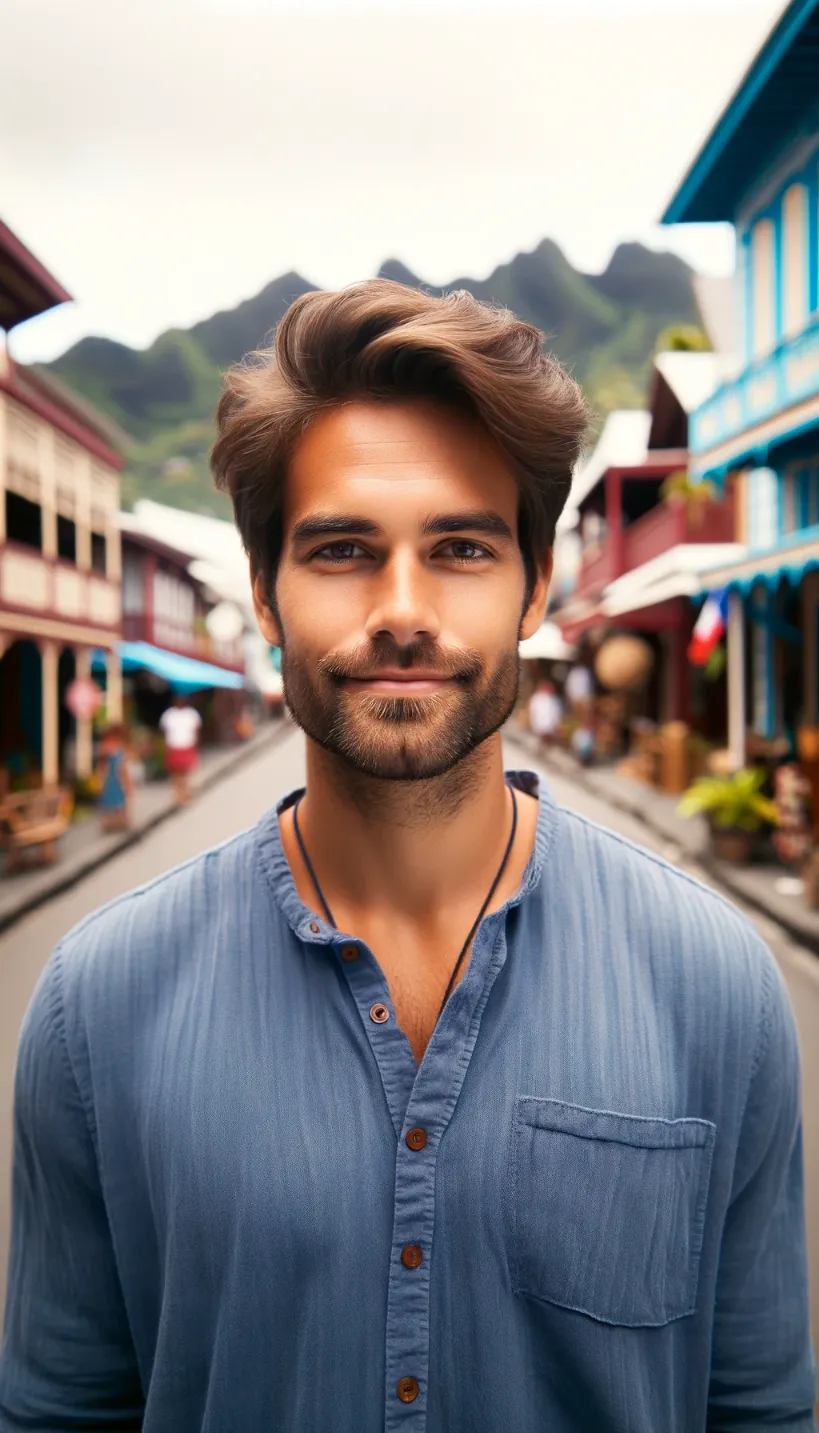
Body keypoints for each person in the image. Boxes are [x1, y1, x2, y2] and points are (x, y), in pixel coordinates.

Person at [0, 282, 814, 1433]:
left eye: (462, 547)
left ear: (535, 583)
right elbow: (60, 1409)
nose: (401, 608)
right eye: (340, 549)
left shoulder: (717, 986)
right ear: (266, 594)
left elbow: (760, 1407)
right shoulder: (99, 1005)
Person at [159, 692, 202, 805]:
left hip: (187, 745)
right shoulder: (169, 714)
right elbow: (164, 731)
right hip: (174, 745)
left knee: (185, 772)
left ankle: (185, 793)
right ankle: (177, 794)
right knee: (175, 772)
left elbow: (196, 730)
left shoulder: (191, 714)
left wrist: (196, 744)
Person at [95, 722, 132, 832]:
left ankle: (118, 822)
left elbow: (123, 766)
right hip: (111, 777)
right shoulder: (108, 747)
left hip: (115, 778)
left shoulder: (118, 748)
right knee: (112, 800)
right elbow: (103, 765)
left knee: (118, 800)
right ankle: (114, 823)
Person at [527, 676, 562, 750]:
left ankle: (544, 746)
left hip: (548, 723)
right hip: (540, 722)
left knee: (547, 732)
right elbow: (533, 709)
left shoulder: (554, 700)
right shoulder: (537, 697)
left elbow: (556, 713)